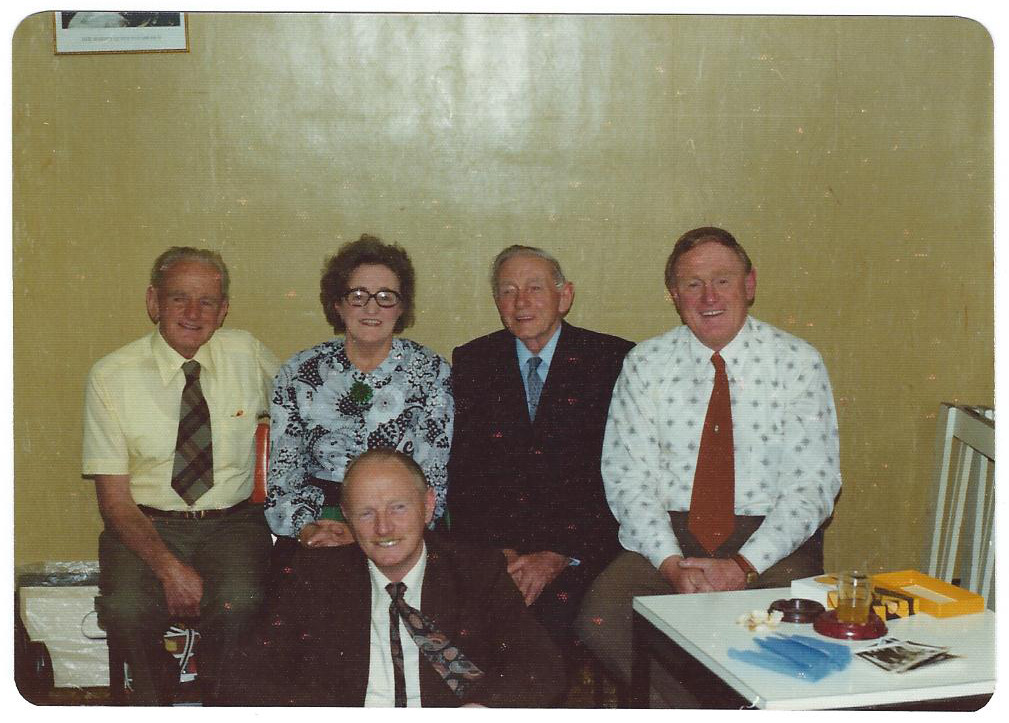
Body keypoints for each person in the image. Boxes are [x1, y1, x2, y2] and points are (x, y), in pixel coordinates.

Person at [576, 226, 841, 706]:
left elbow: (813, 486)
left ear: (750, 284)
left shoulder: (797, 363)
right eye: (692, 284)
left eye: (722, 279)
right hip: (669, 536)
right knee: (601, 618)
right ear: (674, 295)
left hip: (769, 541)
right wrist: (670, 563)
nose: (709, 296)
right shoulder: (645, 363)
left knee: (791, 629)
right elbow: (626, 476)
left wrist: (744, 564)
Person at [82, 247, 278, 704]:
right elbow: (114, 502)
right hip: (143, 523)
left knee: (240, 605)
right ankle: (156, 697)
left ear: (223, 310)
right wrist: (170, 571)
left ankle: (220, 701)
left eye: (207, 302)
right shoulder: (111, 376)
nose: (193, 313)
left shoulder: (247, 354)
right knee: (126, 610)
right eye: (178, 299)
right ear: (153, 302)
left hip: (232, 524)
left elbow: (308, 398)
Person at [220, 448, 565, 707]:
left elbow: (540, 666)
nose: (383, 528)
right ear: (347, 517)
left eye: (398, 508)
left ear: (428, 505)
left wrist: (480, 710)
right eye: (367, 512)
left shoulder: (475, 571)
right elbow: (247, 673)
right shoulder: (314, 575)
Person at [448, 245, 633, 657]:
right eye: (508, 291)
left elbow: (623, 477)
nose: (521, 301)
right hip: (498, 549)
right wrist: (501, 555)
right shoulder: (474, 362)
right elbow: (463, 476)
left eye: (535, 287)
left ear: (564, 296)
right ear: (498, 303)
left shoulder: (613, 360)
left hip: (581, 549)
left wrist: (558, 555)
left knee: (546, 631)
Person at [265, 234, 453, 555]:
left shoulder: (432, 372)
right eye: (357, 295)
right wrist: (309, 527)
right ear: (337, 304)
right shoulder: (298, 373)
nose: (371, 308)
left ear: (401, 306)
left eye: (385, 296)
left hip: (397, 520)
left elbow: (432, 479)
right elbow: (283, 478)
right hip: (319, 519)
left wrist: (363, 531)